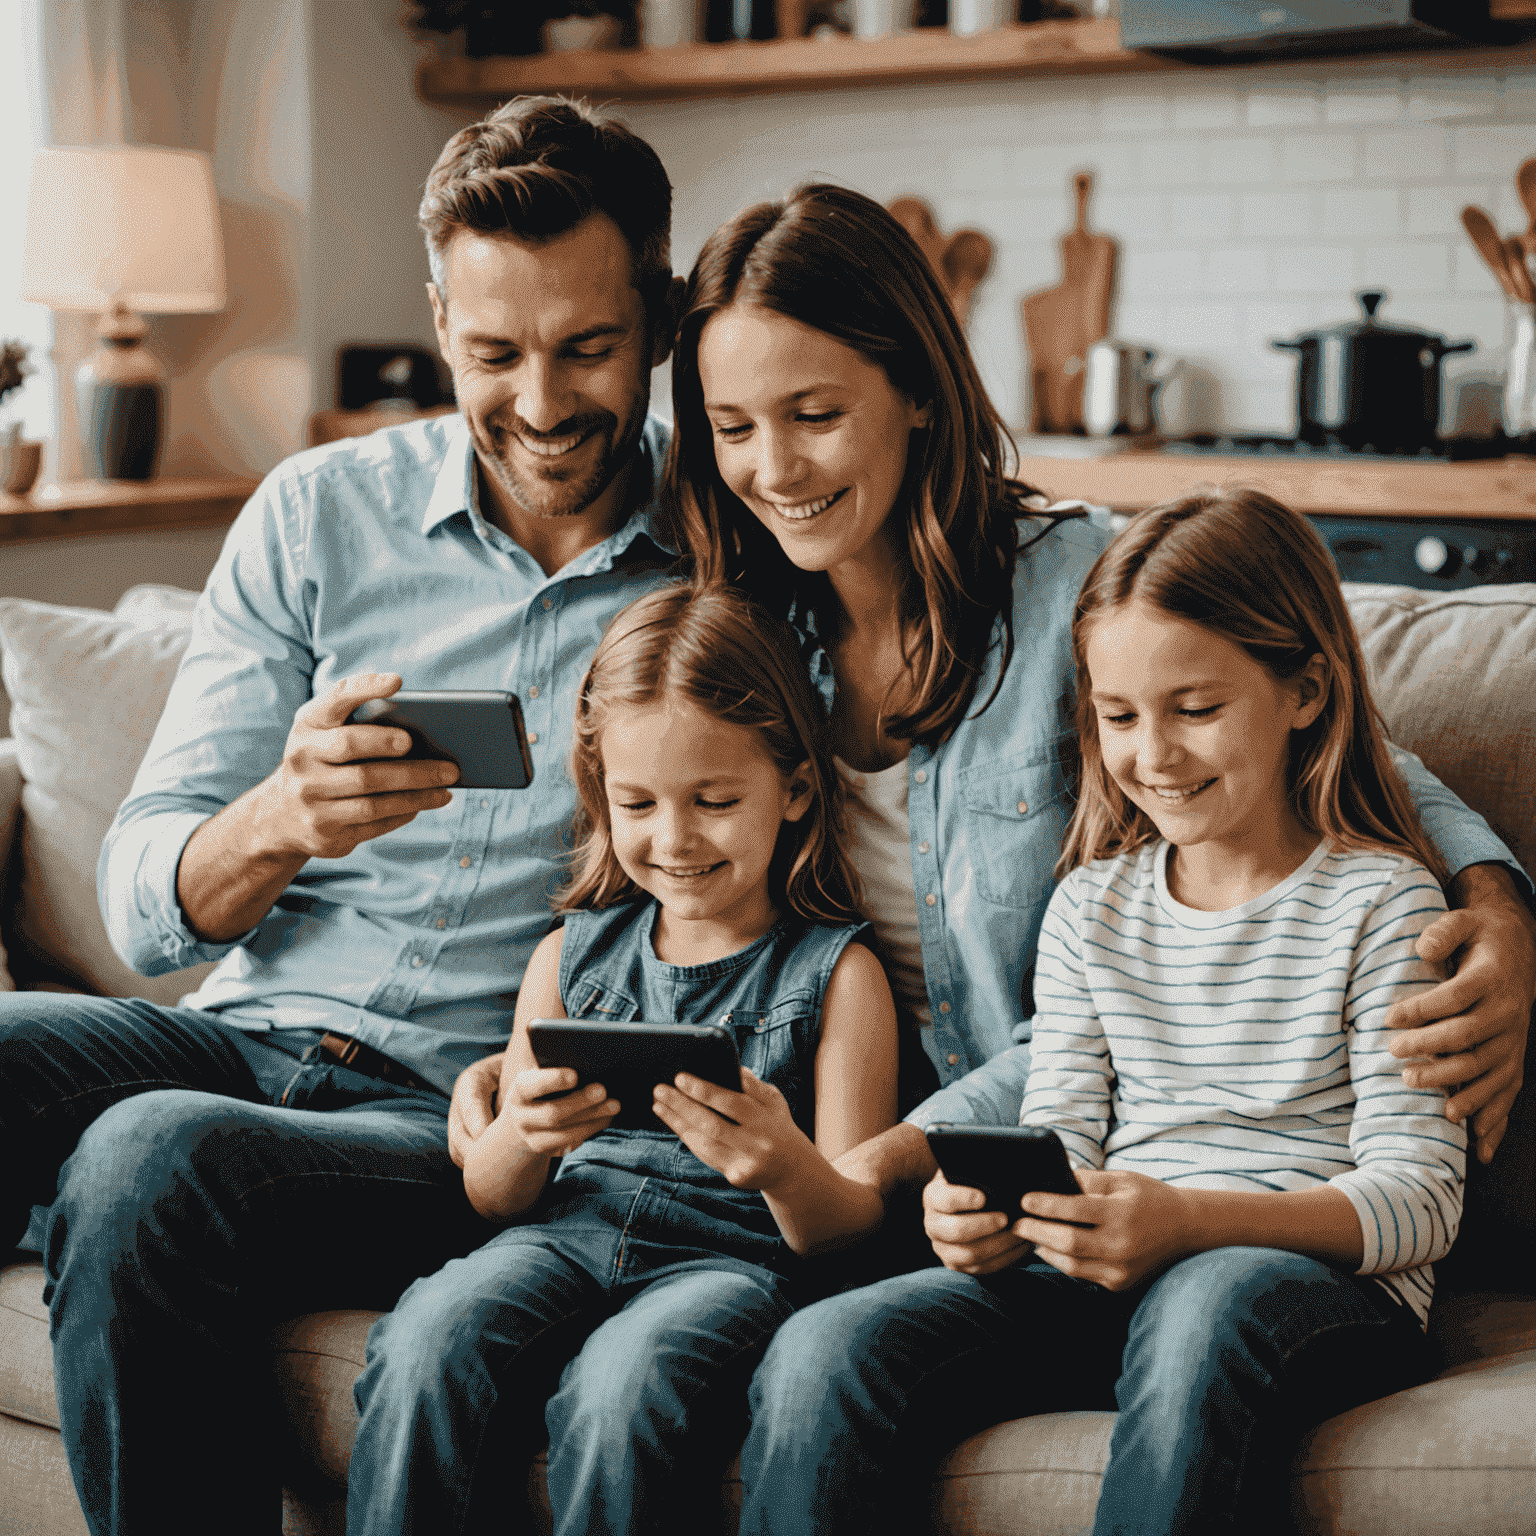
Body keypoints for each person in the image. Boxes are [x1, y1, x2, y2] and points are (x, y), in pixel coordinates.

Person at [451, 183, 1533, 1186]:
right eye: (734, 429)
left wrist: (1500, 912)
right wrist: (515, 1066)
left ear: (919, 393)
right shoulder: (735, 631)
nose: (774, 471)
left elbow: (1359, 757)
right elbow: (627, 891)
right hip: (793, 1161)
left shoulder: (1077, 586)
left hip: (1020, 1146)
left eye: (815, 416)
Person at [0, 96, 687, 1536]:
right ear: (439, 319)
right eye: (495, 354)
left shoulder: (731, 562)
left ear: (663, 320)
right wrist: (278, 819)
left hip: (467, 1118)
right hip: (246, 1032)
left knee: (148, 1158)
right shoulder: (321, 513)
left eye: (590, 349)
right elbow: (138, 903)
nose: (544, 403)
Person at [735, 489, 1469, 1534]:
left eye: (1197, 709)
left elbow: (1419, 1203)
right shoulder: (1091, 906)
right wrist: (985, 1221)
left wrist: (1186, 1223)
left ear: (1305, 691)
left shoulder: (1384, 903)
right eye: (1120, 717)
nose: (1153, 755)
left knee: (1206, 1306)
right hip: (1116, 1274)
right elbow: (1063, 1139)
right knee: (828, 1347)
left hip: (1309, 1292)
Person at [349, 581, 897, 1533]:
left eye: (716, 800)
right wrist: (520, 1134)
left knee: (622, 1390)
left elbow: (847, 1230)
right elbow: (492, 1192)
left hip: (729, 1263)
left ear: (797, 788)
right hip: (560, 1233)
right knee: (429, 1338)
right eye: (636, 802)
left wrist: (783, 1164)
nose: (674, 838)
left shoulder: (839, 976)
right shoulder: (570, 954)